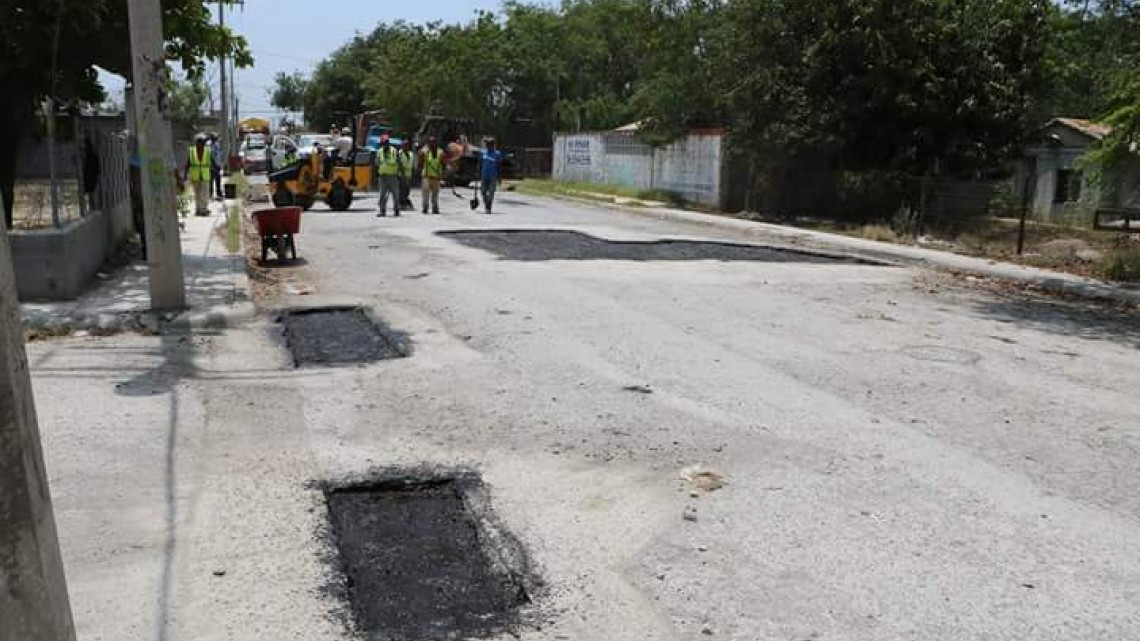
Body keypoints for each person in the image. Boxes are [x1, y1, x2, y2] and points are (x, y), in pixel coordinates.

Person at [184, 133, 212, 216]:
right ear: (196, 142)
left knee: (205, 193)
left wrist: (215, 169)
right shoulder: (192, 151)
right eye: (199, 142)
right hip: (195, 174)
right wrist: (185, 174)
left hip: (205, 174)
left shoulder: (207, 150)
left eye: (202, 142)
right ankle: (198, 209)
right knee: (197, 193)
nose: (201, 143)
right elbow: (188, 162)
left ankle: (203, 209)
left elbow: (211, 161)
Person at [375, 136, 402, 217]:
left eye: (386, 142)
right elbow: (377, 163)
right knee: (382, 194)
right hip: (383, 176)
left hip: (393, 176)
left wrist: (399, 173)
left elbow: (398, 162)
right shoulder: (379, 151)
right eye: (383, 143)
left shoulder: (394, 151)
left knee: (395, 194)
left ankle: (396, 210)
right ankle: (382, 211)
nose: (385, 144)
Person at [419, 136, 446, 214]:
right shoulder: (425, 151)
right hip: (426, 176)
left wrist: (443, 176)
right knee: (425, 194)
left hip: (436, 177)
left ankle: (435, 208)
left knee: (435, 194)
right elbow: (420, 161)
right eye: (431, 142)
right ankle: (425, 208)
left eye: (434, 142)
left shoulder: (440, 152)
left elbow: (443, 164)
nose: (432, 144)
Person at [479, 137, 504, 215]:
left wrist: (500, 178)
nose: (488, 146)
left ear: (493, 145)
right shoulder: (483, 152)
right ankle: (487, 204)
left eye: (490, 145)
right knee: (483, 192)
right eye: (487, 145)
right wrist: (477, 173)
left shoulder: (497, 154)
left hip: (493, 176)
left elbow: (499, 167)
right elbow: (480, 164)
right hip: (484, 176)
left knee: (491, 193)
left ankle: (488, 208)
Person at [398, 139, 415, 210]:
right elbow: (398, 164)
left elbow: (412, 164)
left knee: (407, 190)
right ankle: (401, 203)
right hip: (401, 175)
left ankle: (404, 202)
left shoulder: (411, 154)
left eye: (407, 145)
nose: (406, 146)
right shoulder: (399, 153)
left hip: (409, 175)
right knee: (402, 190)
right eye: (404, 145)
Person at [208, 133, 223, 200]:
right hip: (211, 166)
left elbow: (219, 155)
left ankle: (218, 193)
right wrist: (213, 165)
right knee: (211, 180)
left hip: (217, 165)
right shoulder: (209, 145)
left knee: (218, 179)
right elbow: (210, 156)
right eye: (214, 137)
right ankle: (210, 194)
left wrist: (220, 164)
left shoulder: (217, 144)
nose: (215, 139)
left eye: (216, 137)